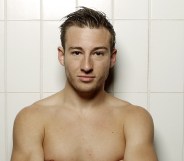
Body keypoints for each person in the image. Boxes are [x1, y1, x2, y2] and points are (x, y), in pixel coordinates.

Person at [11, 7, 158, 161]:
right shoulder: (31, 119)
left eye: (98, 53)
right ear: (62, 56)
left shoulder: (135, 119)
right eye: (76, 53)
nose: (86, 66)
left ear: (112, 58)